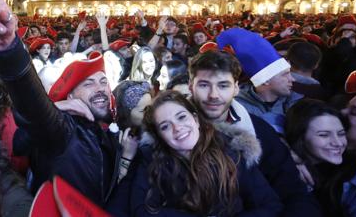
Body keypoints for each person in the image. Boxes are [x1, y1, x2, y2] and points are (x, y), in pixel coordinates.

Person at [0, 0, 120, 207]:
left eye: (103, 82)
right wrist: (9, 48)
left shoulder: (113, 128)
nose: (100, 88)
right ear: (70, 96)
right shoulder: (64, 132)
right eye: (88, 83)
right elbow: (34, 108)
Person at [187, 50, 323, 216]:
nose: (213, 95)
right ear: (190, 86)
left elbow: (293, 192)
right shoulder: (165, 129)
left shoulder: (258, 130)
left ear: (236, 88)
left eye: (223, 85)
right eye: (204, 85)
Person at [121, 90, 282, 216]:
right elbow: (142, 210)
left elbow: (269, 205)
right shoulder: (152, 161)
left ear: (196, 120)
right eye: (165, 126)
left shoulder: (231, 151)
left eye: (181, 117)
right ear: (160, 137)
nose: (177, 128)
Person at [218, 28, 299, 134]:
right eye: (285, 74)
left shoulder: (296, 102)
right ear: (265, 80)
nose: (292, 79)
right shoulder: (238, 109)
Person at [284, 98, 348, 195]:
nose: (338, 143)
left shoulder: (345, 168)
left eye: (341, 134)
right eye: (324, 135)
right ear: (301, 137)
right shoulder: (288, 172)